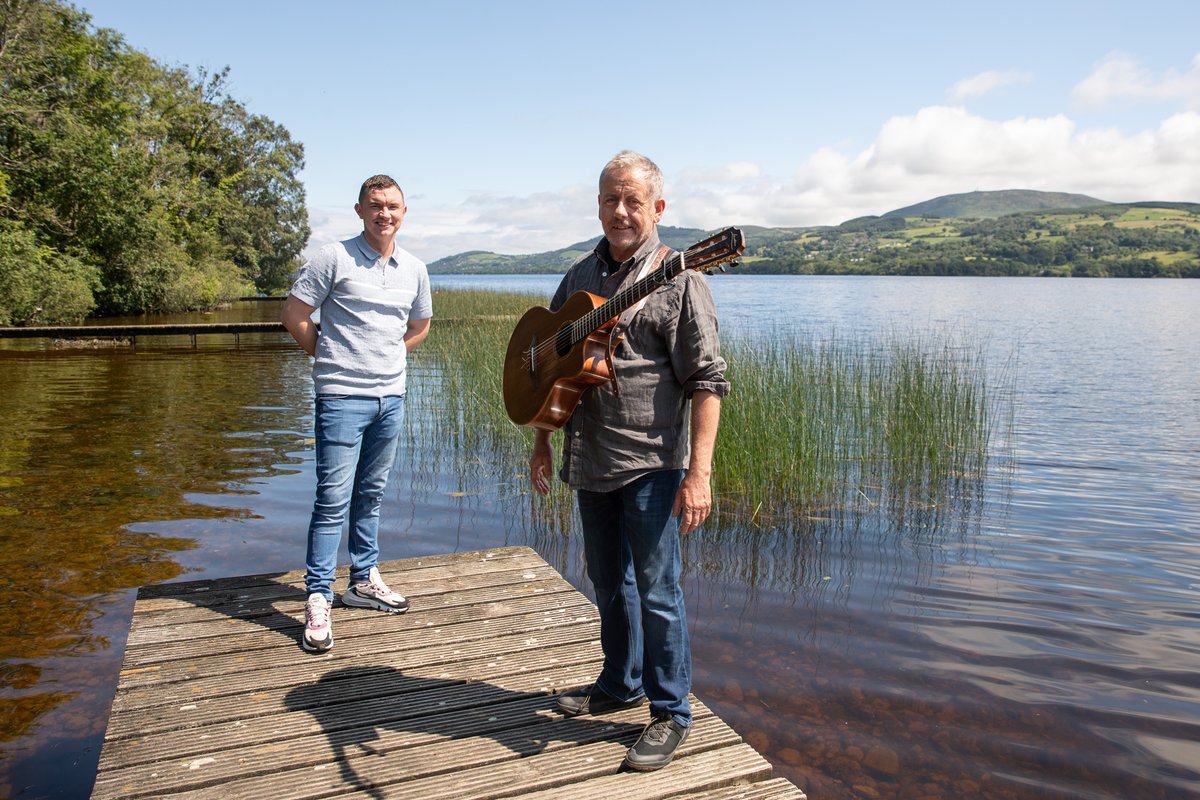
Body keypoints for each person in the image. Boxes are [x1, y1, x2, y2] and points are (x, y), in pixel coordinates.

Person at [529, 151, 729, 771]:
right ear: (598, 204)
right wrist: (540, 440)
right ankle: (620, 684)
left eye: (633, 201)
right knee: (607, 582)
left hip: (650, 463)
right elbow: (548, 363)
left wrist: (700, 473)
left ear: (658, 208)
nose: (620, 211)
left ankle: (671, 712)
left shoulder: (681, 278)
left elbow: (707, 382)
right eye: (610, 199)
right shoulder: (578, 274)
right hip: (587, 459)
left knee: (659, 592)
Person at [281, 174, 433, 654]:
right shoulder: (334, 258)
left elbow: (420, 325)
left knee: (371, 493)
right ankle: (319, 596)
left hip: (392, 398)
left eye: (391, 205)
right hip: (341, 397)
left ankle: (363, 580)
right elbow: (295, 316)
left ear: (403, 212)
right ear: (360, 210)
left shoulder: (414, 268)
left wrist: (388, 357)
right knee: (331, 500)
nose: (383, 213)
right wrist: (329, 358)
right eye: (375, 205)